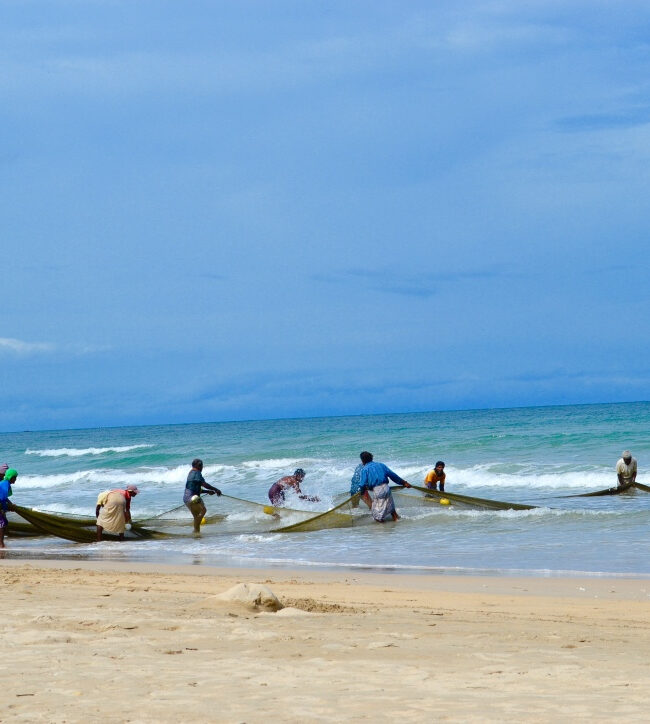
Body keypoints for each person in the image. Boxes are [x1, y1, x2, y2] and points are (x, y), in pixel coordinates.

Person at [358, 452, 411, 523]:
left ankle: (384, 529)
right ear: (372, 458)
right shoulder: (381, 465)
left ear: (362, 461)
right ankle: (397, 523)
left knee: (377, 515)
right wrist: (404, 483)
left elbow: (362, 484)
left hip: (377, 490)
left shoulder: (364, 469)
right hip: (386, 488)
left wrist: (362, 491)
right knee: (392, 509)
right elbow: (393, 475)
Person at [184, 458, 222, 534]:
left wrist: (208, 491)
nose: (202, 468)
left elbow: (195, 490)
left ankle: (196, 533)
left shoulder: (191, 473)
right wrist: (216, 489)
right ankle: (195, 530)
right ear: (199, 466)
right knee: (203, 510)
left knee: (196, 517)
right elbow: (204, 484)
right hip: (193, 498)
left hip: (186, 499)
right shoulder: (197, 473)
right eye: (201, 466)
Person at [0, 467, 17, 548]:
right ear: (11, 477)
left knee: (5, 522)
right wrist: (4, 509)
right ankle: (1, 544)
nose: (16, 479)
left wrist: (11, 504)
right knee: (2, 524)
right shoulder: (5, 483)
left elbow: (4, 497)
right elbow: (2, 498)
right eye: (15, 477)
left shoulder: (5, 483)